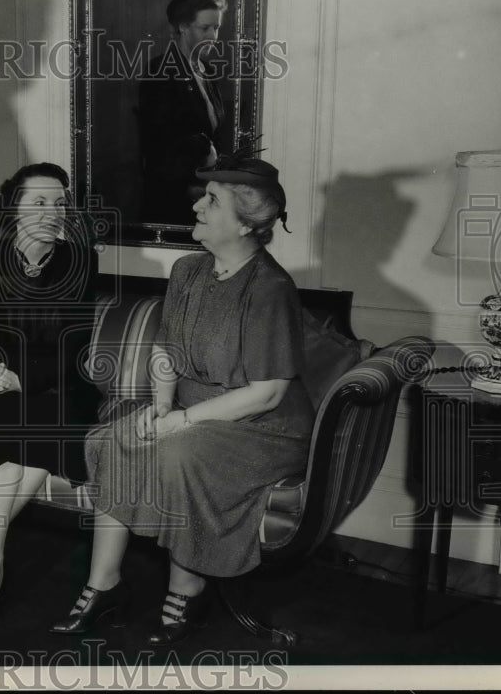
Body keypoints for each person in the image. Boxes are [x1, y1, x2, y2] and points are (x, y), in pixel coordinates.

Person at [49, 155, 312, 645]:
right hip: (192, 413)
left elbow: (268, 391)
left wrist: (183, 421)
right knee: (116, 438)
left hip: (262, 427)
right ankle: (102, 585)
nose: (196, 205)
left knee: (177, 454)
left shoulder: (270, 288)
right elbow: (165, 351)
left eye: (211, 200)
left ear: (247, 222)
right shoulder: (189, 270)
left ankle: (185, 589)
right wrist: (163, 406)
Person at [0, 163, 101, 627]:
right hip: (4, 388)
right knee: (13, 437)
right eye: (39, 202)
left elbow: (73, 347)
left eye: (60, 202)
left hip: (60, 385)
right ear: (12, 208)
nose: (53, 212)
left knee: (37, 419)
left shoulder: (81, 261)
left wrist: (19, 378)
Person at [137, 0, 231, 224]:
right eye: (204, 28)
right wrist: (202, 154)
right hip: (174, 196)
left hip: (206, 191)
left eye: (216, 28)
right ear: (182, 27)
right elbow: (156, 145)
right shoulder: (160, 70)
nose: (213, 36)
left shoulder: (206, 70)